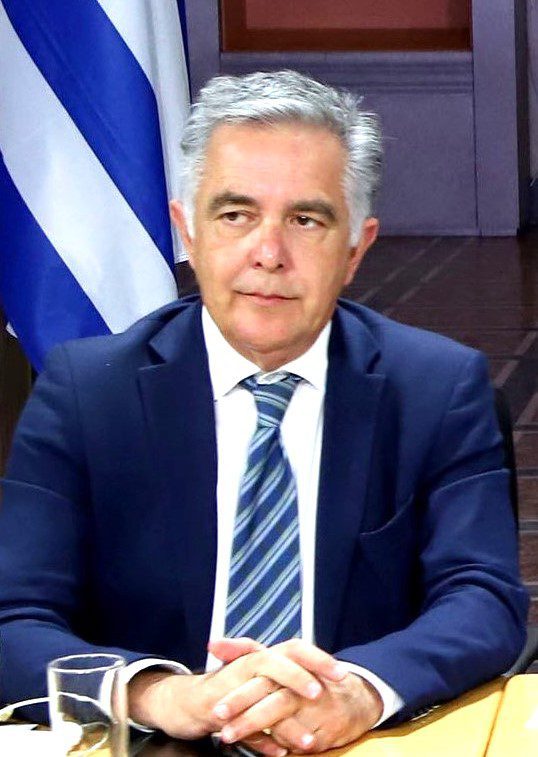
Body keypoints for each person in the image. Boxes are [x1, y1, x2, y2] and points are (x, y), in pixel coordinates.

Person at [0, 70, 528, 755]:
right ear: (188, 233)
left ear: (356, 249)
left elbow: (483, 598)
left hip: (357, 744)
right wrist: (162, 693)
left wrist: (359, 690)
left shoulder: (437, 388)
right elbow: (13, 617)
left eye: (306, 220)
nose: (269, 254)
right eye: (235, 215)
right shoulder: (87, 392)